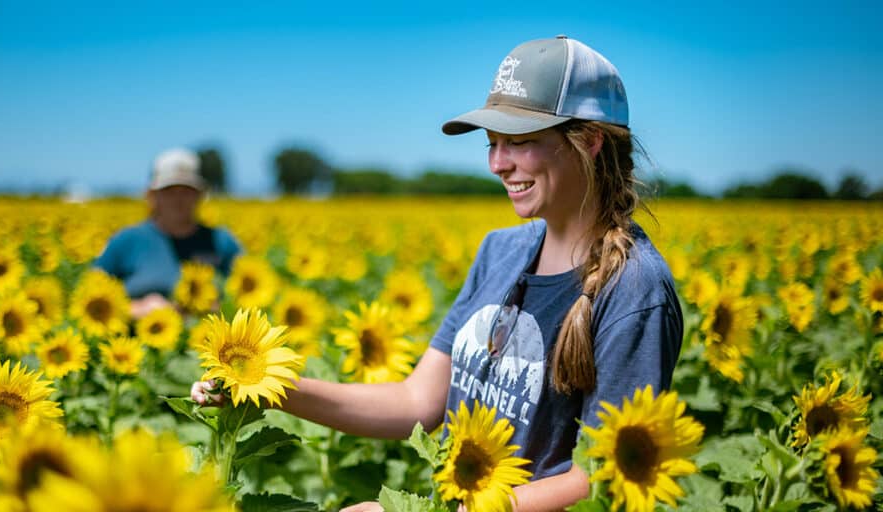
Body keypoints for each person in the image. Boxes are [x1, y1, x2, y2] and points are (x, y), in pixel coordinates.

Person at [193, 36, 682, 511]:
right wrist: (269, 386)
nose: (497, 163)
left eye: (519, 142)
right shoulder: (501, 252)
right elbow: (417, 401)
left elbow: (601, 480)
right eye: (492, 143)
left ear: (590, 141)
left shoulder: (634, 288)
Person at [96, 148, 241, 318]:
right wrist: (137, 308)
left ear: (200, 195)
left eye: (186, 191)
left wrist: (217, 306)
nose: (178, 199)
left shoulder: (221, 242)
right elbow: (90, 294)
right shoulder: (126, 242)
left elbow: (244, 299)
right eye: (169, 191)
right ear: (152, 195)